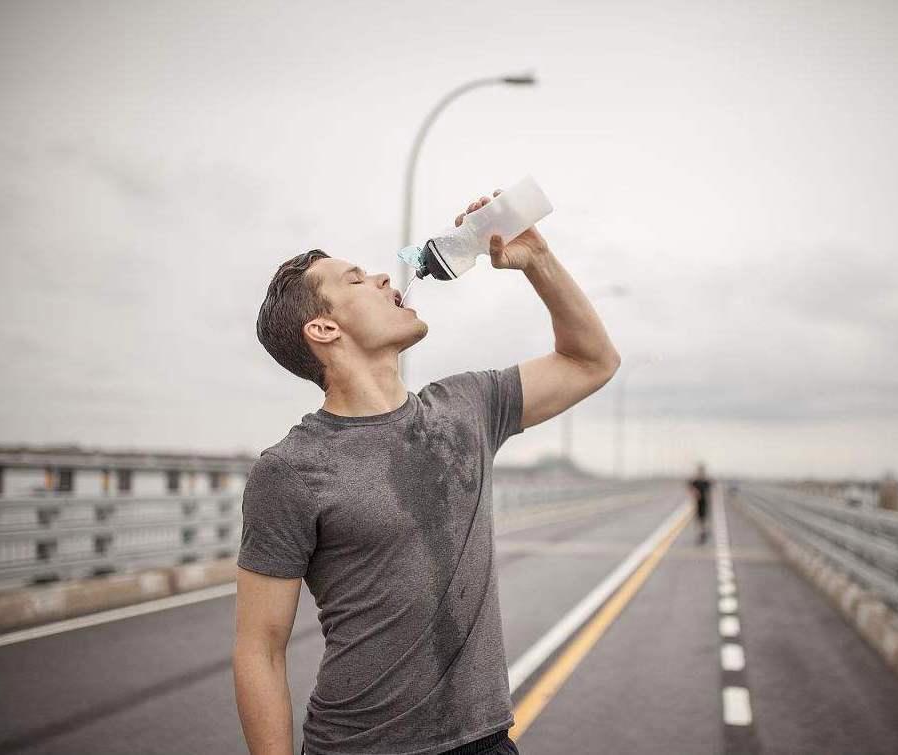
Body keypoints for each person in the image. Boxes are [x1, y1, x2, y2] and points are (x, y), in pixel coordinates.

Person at [232, 188, 621, 755]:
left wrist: (537, 259)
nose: (387, 280)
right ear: (323, 329)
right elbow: (259, 649)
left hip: (486, 741)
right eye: (357, 280)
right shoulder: (290, 471)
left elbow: (592, 361)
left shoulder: (467, 406)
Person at [688, 462, 712, 544]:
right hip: (698, 502)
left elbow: (711, 487)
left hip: (704, 502)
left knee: (703, 518)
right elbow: (689, 485)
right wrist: (695, 492)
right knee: (699, 518)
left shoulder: (705, 481)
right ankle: (701, 533)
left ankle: (703, 533)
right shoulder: (696, 481)